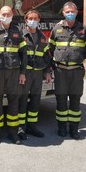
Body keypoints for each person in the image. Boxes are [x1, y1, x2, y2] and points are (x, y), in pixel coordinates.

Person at [0, 5, 27, 145]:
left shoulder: (18, 31)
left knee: (14, 101)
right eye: (3, 14)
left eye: (8, 14)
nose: (6, 16)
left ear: (12, 16)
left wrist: (22, 73)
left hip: (14, 72)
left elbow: (23, 54)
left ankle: (13, 133)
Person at [49, 2, 86, 139]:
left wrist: (77, 58)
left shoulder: (84, 30)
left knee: (75, 100)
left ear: (76, 12)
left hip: (76, 70)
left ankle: (74, 129)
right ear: (63, 13)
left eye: (72, 11)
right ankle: (62, 128)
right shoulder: (56, 29)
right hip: (60, 70)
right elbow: (51, 48)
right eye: (67, 11)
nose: (70, 13)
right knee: (61, 100)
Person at [18, 10, 52, 140]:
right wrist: (21, 72)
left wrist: (47, 72)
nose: (33, 20)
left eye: (35, 18)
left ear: (39, 21)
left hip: (38, 73)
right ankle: (21, 127)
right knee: (22, 100)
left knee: (35, 100)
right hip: (25, 73)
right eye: (30, 18)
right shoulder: (21, 35)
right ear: (26, 20)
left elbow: (46, 56)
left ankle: (32, 125)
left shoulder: (42, 37)